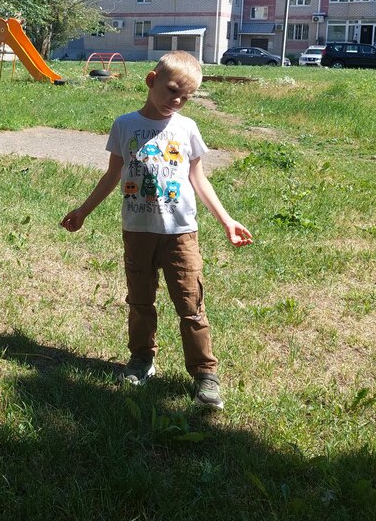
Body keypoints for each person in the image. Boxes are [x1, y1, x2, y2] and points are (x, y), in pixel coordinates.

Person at [61, 51, 252, 409]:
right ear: (151, 81)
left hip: (180, 233)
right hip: (138, 231)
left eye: (186, 97)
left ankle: (205, 374)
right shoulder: (124, 125)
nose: (177, 101)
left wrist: (227, 220)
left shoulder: (187, 128)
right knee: (140, 301)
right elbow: (112, 174)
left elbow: (199, 179)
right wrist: (83, 210)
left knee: (191, 304)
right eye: (172, 91)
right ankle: (141, 359)